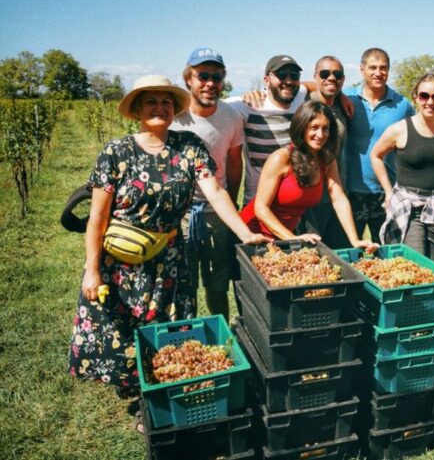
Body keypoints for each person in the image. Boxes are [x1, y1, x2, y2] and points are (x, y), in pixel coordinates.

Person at [68, 75, 266, 404]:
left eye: (166, 102)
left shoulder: (188, 147)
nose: (160, 108)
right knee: (122, 325)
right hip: (122, 261)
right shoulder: (116, 152)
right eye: (151, 102)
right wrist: (92, 269)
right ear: (136, 110)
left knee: (166, 326)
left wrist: (245, 233)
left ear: (174, 109)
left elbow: (215, 192)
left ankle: (162, 391)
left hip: (169, 258)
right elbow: (98, 217)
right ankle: (136, 389)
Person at [240, 100, 376, 251]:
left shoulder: (327, 160)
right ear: (302, 127)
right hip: (252, 234)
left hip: (284, 237)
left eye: (325, 128)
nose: (320, 134)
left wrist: (355, 240)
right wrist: (291, 238)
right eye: (314, 128)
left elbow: (338, 199)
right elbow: (261, 208)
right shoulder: (282, 157)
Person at [169, 48, 243, 321]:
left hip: (216, 211)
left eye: (217, 77)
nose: (210, 83)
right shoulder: (173, 116)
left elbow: (235, 162)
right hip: (180, 213)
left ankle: (221, 336)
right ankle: (183, 336)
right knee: (181, 283)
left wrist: (230, 203)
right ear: (188, 78)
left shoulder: (231, 116)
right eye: (203, 76)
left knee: (217, 282)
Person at [372, 74, 434, 254]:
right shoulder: (400, 129)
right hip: (410, 208)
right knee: (417, 261)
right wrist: (387, 191)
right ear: (415, 96)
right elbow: (375, 155)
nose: (430, 102)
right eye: (424, 96)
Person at [344, 48, 414, 243]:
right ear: (361, 70)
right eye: (372, 67)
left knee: (386, 251)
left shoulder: (402, 105)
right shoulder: (346, 98)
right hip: (351, 190)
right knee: (351, 251)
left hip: (387, 192)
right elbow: (317, 91)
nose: (378, 73)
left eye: (383, 68)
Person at [227, 55, 308, 206]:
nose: (289, 81)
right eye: (281, 75)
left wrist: (342, 96)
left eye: (294, 75)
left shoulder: (298, 98)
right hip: (256, 202)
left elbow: (314, 85)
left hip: (292, 204)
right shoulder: (247, 105)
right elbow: (208, 107)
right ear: (266, 80)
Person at [296, 56, 352, 249]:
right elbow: (286, 86)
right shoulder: (302, 103)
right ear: (315, 77)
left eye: (337, 74)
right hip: (308, 200)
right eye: (325, 74)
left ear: (343, 79)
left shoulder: (344, 106)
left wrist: (342, 95)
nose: (331, 78)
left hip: (336, 194)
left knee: (341, 257)